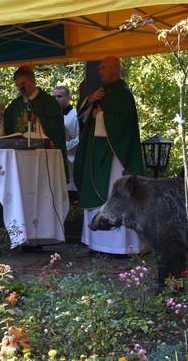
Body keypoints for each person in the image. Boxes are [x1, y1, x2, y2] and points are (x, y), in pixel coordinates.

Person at [74, 56, 145, 256]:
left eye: (103, 67)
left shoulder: (123, 93)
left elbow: (123, 124)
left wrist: (101, 116)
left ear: (115, 69)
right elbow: (83, 115)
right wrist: (90, 100)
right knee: (98, 196)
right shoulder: (103, 92)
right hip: (96, 157)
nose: (99, 71)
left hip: (114, 156)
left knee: (113, 195)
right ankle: (98, 244)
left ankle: (119, 247)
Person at [0, 66, 67, 163]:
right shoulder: (15, 104)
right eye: (18, 85)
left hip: (42, 158)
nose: (20, 88)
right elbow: (7, 128)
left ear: (33, 81)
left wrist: (37, 120)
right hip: (19, 157)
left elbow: (57, 126)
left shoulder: (47, 101)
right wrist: (0, 117)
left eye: (23, 84)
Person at [53, 85, 79, 201]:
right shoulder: (52, 116)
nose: (56, 99)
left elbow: (79, 138)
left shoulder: (75, 115)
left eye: (59, 96)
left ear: (68, 98)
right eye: (54, 97)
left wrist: (62, 147)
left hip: (70, 161)